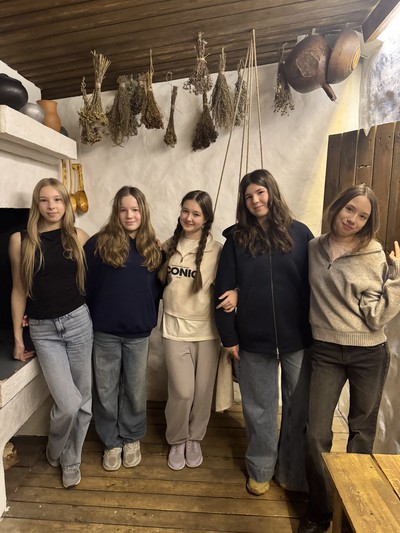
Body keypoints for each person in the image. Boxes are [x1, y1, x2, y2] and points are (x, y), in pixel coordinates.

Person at [299, 184, 400, 533]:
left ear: (369, 222)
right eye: (350, 209)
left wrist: (397, 278)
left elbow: (376, 317)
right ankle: (320, 511)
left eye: (363, 216)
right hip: (325, 350)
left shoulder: (373, 255)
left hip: (368, 353)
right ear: (337, 206)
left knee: (360, 433)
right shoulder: (313, 247)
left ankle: (352, 511)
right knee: (315, 435)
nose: (353, 219)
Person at [214, 168, 313, 495]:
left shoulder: (301, 234)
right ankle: (260, 469)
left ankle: (291, 471)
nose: (255, 200)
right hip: (252, 341)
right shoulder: (236, 240)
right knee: (259, 410)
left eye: (260, 192)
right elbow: (223, 290)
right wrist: (229, 337)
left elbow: (315, 283)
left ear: (272, 191)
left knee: (298, 409)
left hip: (298, 339)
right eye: (248, 196)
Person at [9, 177, 92, 489]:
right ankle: (55, 448)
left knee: (83, 401)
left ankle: (72, 458)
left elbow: (114, 255)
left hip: (79, 323)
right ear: (36, 204)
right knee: (68, 403)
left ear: (66, 204)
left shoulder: (78, 236)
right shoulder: (21, 240)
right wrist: (18, 339)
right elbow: (19, 289)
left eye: (57, 199)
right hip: (43, 330)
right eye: (44, 200)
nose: (51, 206)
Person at [84, 186, 163, 471]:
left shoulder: (152, 248)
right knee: (105, 389)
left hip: (138, 334)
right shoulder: (98, 244)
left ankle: (131, 437)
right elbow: (85, 284)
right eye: (123, 210)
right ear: (116, 212)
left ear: (143, 212)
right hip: (105, 332)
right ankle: (111, 441)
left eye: (135, 210)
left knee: (134, 390)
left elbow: (158, 289)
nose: (130, 215)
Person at [159, 190, 236, 471]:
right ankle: (177, 438)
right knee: (182, 391)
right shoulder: (168, 246)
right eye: (185, 211)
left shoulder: (218, 250)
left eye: (196, 213)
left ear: (206, 219)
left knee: (202, 392)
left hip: (207, 332)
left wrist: (237, 292)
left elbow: (235, 279)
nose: (189, 218)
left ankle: (194, 438)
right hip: (174, 329)